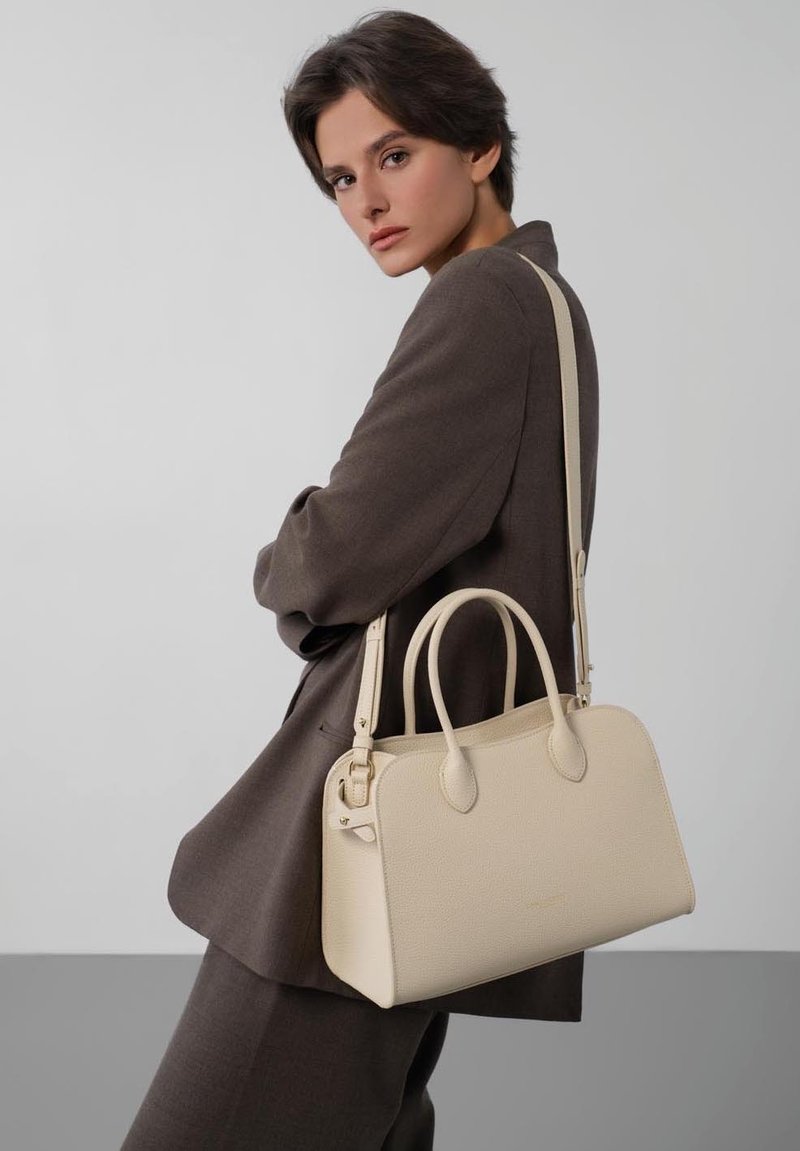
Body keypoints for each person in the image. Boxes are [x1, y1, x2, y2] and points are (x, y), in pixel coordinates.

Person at [121, 8, 599, 1148]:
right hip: (441, 817)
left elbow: (336, 554)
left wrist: (280, 553)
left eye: (393, 155)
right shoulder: (545, 301)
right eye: (339, 178)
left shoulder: (479, 300)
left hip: (361, 827)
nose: (365, 204)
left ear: (477, 144)